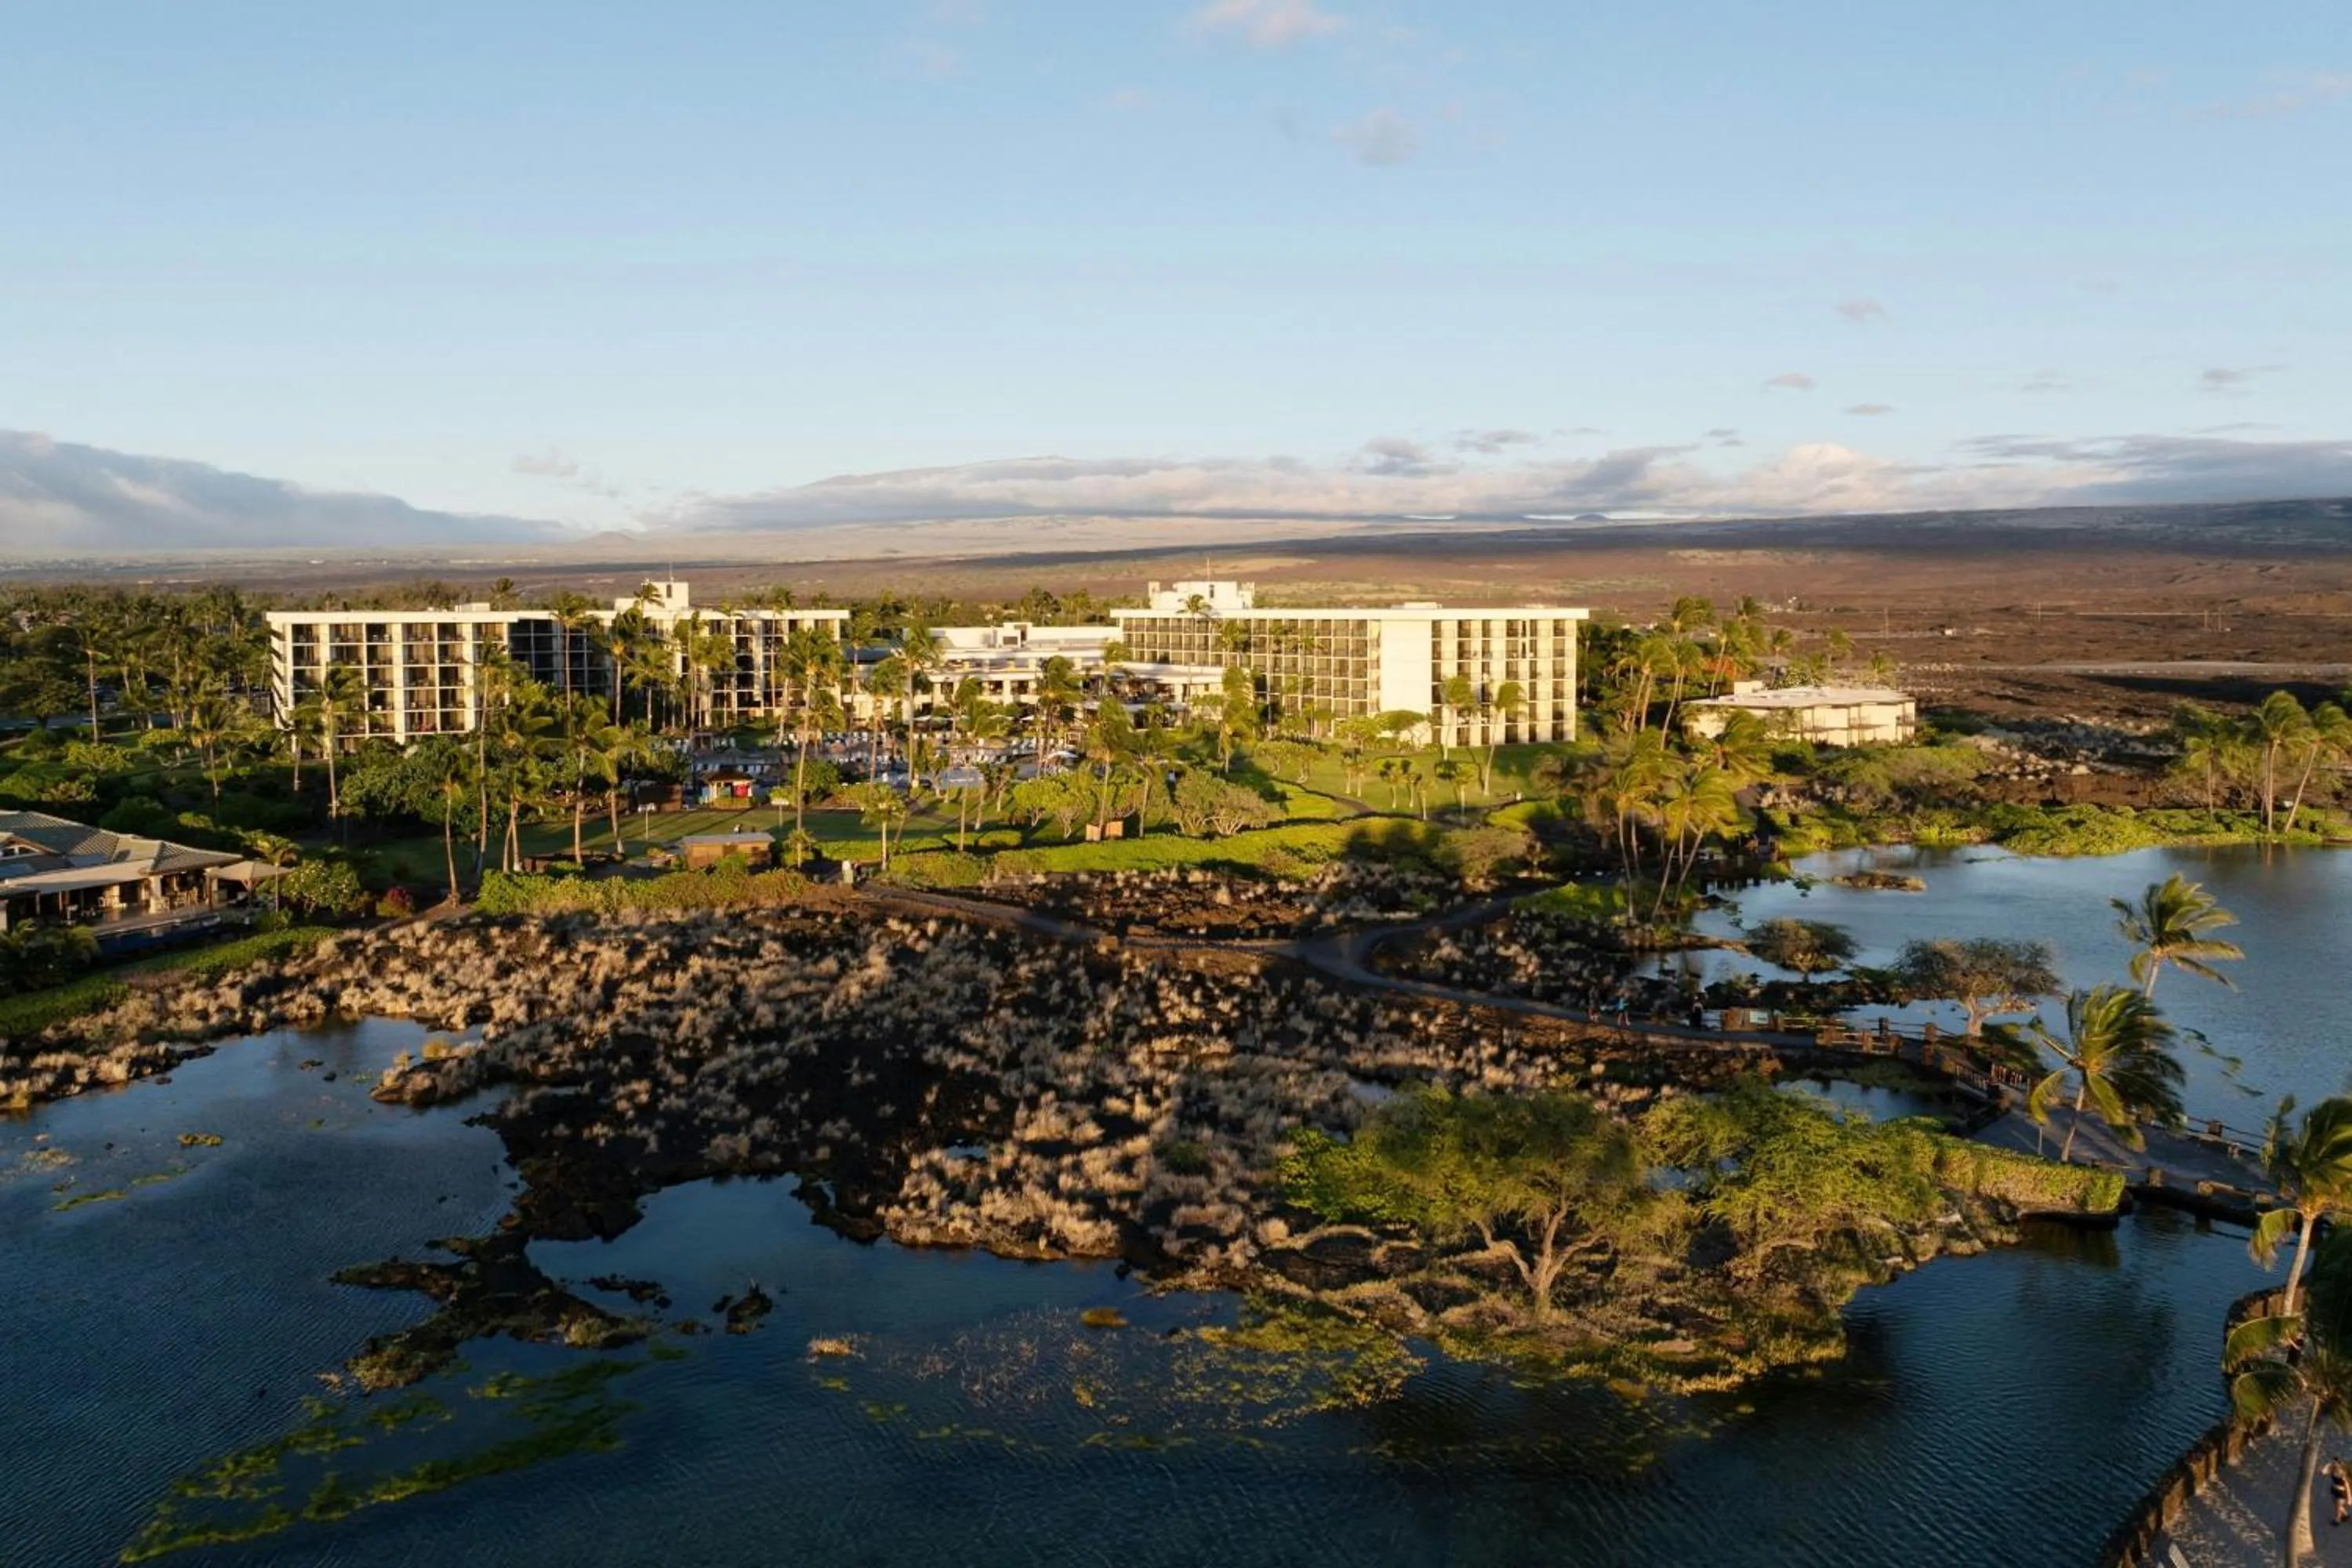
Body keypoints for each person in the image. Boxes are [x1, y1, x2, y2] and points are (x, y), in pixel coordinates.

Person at [2326, 1457, 2350, 1527]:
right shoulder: (2332, 1470)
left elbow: (2347, 1486)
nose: (2334, 1464)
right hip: (2334, 1490)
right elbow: (2323, 1472)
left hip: (2341, 1492)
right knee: (2337, 1505)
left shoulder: (2342, 1474)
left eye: (2335, 1463)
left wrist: (2349, 1498)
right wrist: (2328, 1465)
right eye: (2333, 1462)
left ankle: (2337, 1520)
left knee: (2338, 1507)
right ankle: (2345, 1515)